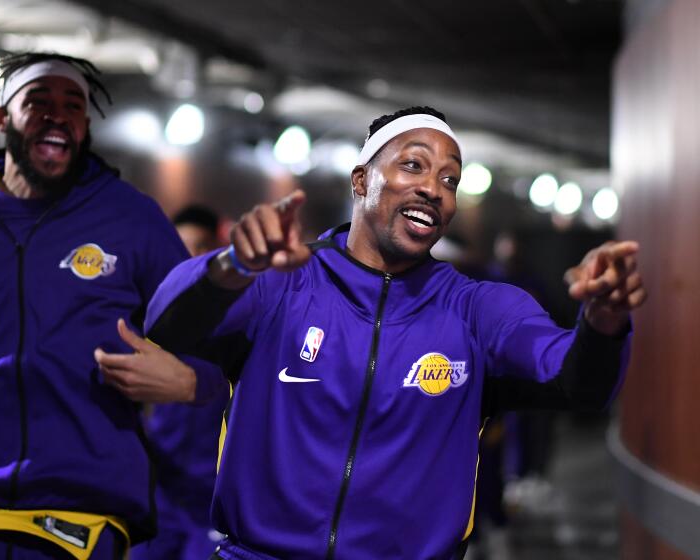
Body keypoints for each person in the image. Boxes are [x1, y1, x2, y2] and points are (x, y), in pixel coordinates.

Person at [129, 107, 646, 559]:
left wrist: (602, 321)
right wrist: (231, 265)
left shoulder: (475, 309)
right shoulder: (285, 285)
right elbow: (166, 323)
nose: (433, 188)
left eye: (450, 179)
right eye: (414, 165)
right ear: (361, 180)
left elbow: (579, 382)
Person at [0, 52, 221, 559]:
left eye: (73, 106)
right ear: (4, 119)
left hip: (77, 512)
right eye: (39, 102)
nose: (58, 116)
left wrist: (188, 382)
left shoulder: (134, 222)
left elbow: (217, 344)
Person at [132, 204, 229, 560]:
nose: (191, 256)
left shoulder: (243, 320)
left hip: (211, 498)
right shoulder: (149, 319)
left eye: (201, 246)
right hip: (160, 492)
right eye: (181, 245)